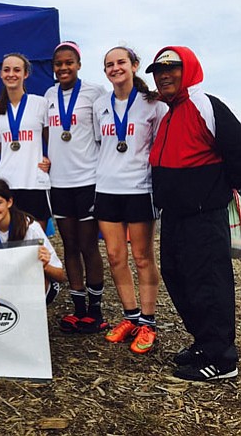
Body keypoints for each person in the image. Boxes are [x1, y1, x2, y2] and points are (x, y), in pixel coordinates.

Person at [147, 46, 241, 380]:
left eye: (171, 69)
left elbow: (236, 149)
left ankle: (222, 358)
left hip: (204, 215)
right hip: (174, 214)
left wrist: (229, 191)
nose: (164, 75)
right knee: (177, 276)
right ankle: (204, 341)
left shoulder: (206, 105)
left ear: (188, 70)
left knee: (208, 282)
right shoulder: (170, 111)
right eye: (158, 71)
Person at [94, 47, 166, 354]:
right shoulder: (100, 105)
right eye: (109, 64)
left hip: (139, 188)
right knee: (114, 256)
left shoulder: (153, 104)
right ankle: (130, 316)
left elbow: (162, 145)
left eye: (121, 62)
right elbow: (100, 144)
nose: (115, 68)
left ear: (134, 65)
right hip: (107, 187)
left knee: (142, 257)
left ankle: (148, 323)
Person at [44, 41, 108, 334]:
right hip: (59, 183)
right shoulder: (49, 95)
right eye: (58, 64)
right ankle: (78, 308)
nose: (63, 68)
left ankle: (96, 310)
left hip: (87, 180)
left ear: (79, 64)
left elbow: (107, 130)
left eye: (68, 62)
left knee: (87, 245)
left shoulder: (94, 93)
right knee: (69, 245)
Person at [0, 178, 65, 304]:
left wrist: (44, 265)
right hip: (1, 282)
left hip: (31, 284)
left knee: (37, 275)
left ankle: (33, 316)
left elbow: (60, 275)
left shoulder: (30, 227)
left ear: (9, 202)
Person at [0, 53, 51, 231]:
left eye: (17, 70)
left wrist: (49, 158)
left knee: (36, 242)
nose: (11, 74)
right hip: (6, 182)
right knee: (11, 240)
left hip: (34, 181)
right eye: (7, 70)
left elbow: (50, 139)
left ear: (25, 74)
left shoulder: (40, 103)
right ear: (1, 74)